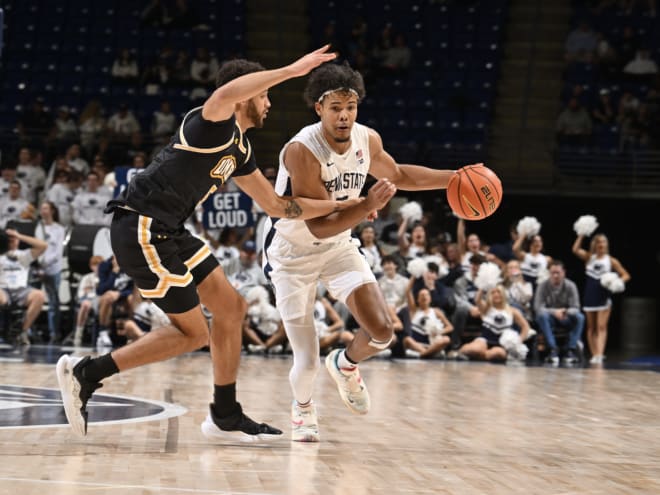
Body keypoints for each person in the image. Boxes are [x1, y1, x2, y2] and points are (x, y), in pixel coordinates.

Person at [56, 45, 348, 441]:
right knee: (193, 334)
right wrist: (292, 69)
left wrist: (347, 205)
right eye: (264, 95)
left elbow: (277, 205)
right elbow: (226, 94)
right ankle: (86, 372)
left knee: (232, 307)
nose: (269, 103)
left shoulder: (241, 149)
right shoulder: (210, 123)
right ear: (245, 94)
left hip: (170, 231)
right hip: (141, 226)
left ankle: (225, 414)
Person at [262, 61, 457, 442]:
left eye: (350, 107)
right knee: (307, 357)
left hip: (337, 247)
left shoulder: (368, 140)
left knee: (383, 331)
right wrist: (366, 205)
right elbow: (317, 223)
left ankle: (347, 363)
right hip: (292, 254)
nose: (344, 116)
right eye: (335, 107)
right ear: (318, 108)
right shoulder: (302, 151)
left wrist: (454, 178)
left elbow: (398, 175)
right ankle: (302, 410)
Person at [572, 232, 631, 364]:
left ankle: (600, 354)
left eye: (603, 242)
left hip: (604, 297)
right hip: (590, 295)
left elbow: (626, 274)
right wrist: (581, 234)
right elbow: (575, 250)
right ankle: (594, 354)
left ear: (607, 244)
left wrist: (617, 282)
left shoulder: (611, 260)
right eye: (598, 242)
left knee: (601, 326)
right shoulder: (589, 258)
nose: (601, 244)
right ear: (594, 244)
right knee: (591, 327)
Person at [458, 285, 530, 363]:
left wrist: (518, 341)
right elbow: (477, 300)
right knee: (475, 349)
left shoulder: (512, 311)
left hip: (500, 344)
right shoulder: (486, 308)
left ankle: (479, 356)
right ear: (489, 296)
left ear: (503, 294)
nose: (496, 294)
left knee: (499, 353)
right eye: (493, 293)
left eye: (498, 292)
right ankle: (460, 352)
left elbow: (525, 326)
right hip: (484, 340)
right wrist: (483, 287)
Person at [0, 229, 48, 346]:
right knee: (2, 299)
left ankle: (22, 331)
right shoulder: (1, 254)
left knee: (39, 295)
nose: (12, 241)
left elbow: (43, 245)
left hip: (21, 289)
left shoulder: (24, 255)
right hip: (3, 288)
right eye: (9, 239)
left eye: (14, 239)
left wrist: (18, 235)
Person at [533, 260, 585, 366]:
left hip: (566, 317)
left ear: (563, 273)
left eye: (558, 272)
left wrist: (565, 312)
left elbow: (576, 307)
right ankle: (553, 349)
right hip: (549, 318)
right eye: (553, 273)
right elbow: (538, 307)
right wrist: (554, 312)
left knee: (580, 317)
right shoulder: (542, 286)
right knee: (541, 316)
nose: (555, 275)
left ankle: (570, 349)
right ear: (549, 273)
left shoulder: (571, 285)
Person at [34, 201, 67, 343]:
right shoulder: (38, 227)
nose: (43, 211)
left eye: (46, 208)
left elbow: (58, 251)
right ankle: (31, 331)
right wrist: (38, 264)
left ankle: (54, 333)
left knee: (53, 301)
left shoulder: (59, 229)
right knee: (34, 299)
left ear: (52, 211)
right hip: (38, 268)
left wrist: (45, 263)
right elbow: (35, 246)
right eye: (42, 208)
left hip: (53, 268)